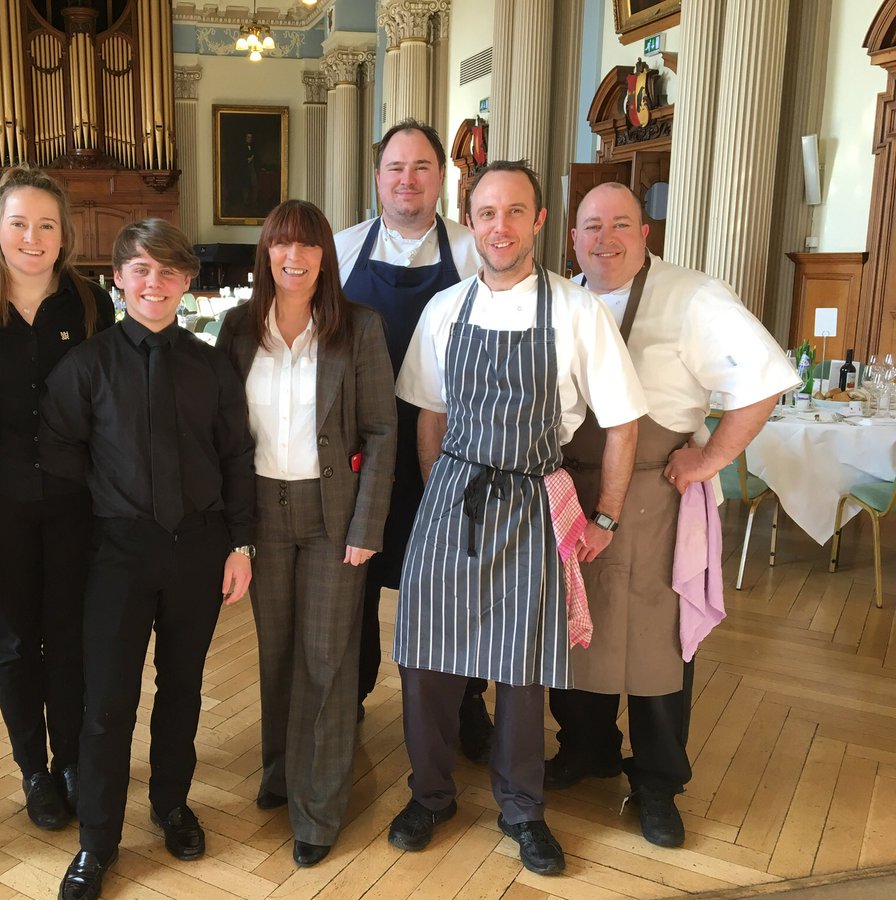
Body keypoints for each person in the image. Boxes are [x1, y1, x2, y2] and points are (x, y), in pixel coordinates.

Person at [388, 160, 648, 875]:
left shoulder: (577, 311)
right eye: (485, 213)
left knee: (524, 667)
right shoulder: (445, 309)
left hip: (532, 500)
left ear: (538, 221)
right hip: (452, 495)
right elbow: (430, 414)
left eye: (513, 212)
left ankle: (523, 810)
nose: (498, 227)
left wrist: (606, 517)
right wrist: (438, 491)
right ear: (469, 223)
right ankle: (430, 793)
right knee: (426, 659)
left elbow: (623, 422)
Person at [546, 182, 799, 847]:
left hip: (653, 494)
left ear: (645, 233)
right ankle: (586, 749)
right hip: (570, 492)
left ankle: (658, 781)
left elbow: (765, 377)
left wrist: (710, 457)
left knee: (656, 643)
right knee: (574, 629)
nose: (604, 239)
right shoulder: (560, 298)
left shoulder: (692, 297)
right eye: (591, 226)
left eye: (619, 224)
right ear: (572, 238)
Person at [41, 219, 256, 900]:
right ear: (118, 279)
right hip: (117, 552)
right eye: (140, 269)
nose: (154, 283)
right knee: (107, 701)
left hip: (199, 547)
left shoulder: (212, 366)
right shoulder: (85, 368)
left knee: (183, 688)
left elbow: (237, 457)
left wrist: (241, 545)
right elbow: (62, 475)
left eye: (168, 271)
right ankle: (97, 839)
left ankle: (171, 804)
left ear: (187, 280)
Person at [217, 200, 397, 867]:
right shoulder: (238, 328)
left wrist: (366, 523)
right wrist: (230, 532)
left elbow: (381, 430)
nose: (293, 257)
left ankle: (318, 806)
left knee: (325, 658)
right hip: (262, 511)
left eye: (308, 245)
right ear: (266, 252)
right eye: (281, 244)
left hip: (333, 517)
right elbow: (222, 433)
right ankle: (281, 771)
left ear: (326, 256)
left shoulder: (358, 328)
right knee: (277, 652)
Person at [0, 166, 115, 831]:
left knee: (69, 640)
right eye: (19, 223)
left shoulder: (92, 304)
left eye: (46, 225)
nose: (32, 238)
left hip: (75, 503)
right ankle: (34, 771)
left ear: (64, 235)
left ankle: (70, 762)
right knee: (15, 643)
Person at [334, 119, 490, 757]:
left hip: (451, 444)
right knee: (357, 578)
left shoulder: (475, 250)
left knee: (456, 579)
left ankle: (467, 699)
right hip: (360, 451)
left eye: (421, 166)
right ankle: (350, 694)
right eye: (395, 167)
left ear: (441, 177)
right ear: (377, 178)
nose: (408, 179)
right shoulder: (342, 250)